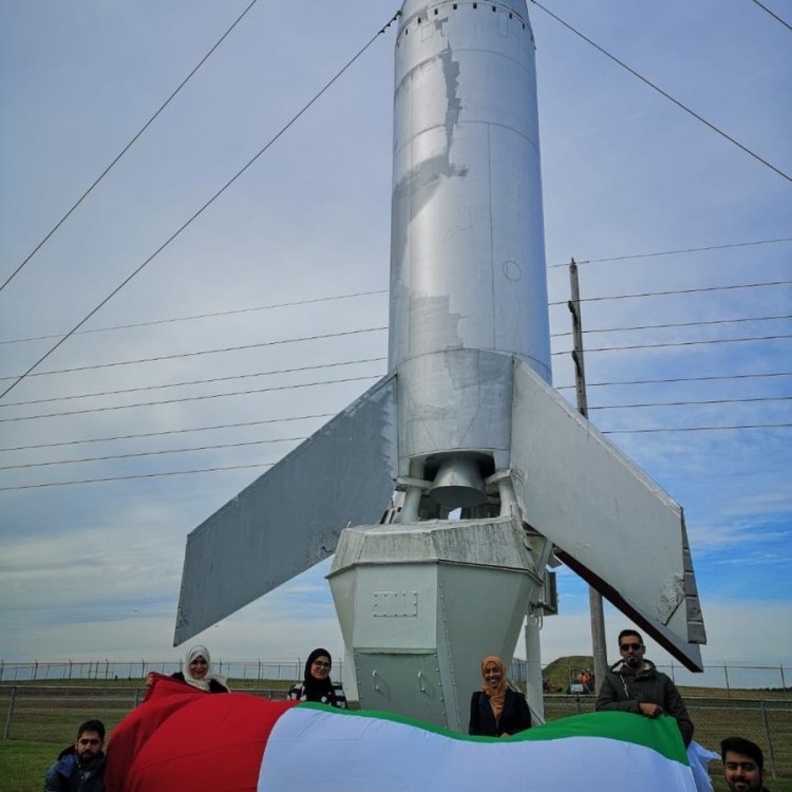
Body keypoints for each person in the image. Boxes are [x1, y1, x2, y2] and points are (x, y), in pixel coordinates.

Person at [595, 628, 694, 746]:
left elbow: (683, 721)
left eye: (635, 646)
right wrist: (639, 707)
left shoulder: (662, 681)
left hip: (657, 746)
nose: (630, 651)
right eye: (625, 647)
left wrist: (676, 746)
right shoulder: (613, 679)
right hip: (625, 745)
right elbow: (601, 707)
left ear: (643, 649)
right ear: (621, 652)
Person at [469, 655, 532, 737]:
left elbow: (527, 730)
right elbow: (473, 732)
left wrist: (511, 735)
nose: (491, 675)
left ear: (502, 672)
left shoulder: (518, 699)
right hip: (487, 745)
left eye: (495, 670)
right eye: (487, 672)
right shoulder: (477, 699)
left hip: (511, 745)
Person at [44, 719, 107, 792]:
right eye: (84, 742)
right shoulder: (58, 772)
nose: (88, 747)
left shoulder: (109, 772)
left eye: (94, 742)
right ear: (76, 745)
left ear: (102, 745)